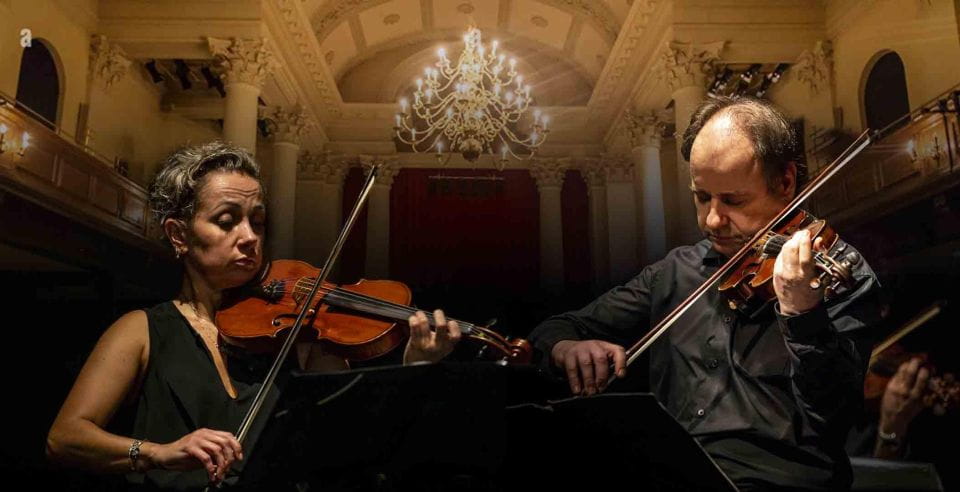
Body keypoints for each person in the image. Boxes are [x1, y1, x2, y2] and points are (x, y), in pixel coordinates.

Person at [45, 142, 461, 489]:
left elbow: (352, 442)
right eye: (227, 221)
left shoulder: (296, 335)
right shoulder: (142, 330)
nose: (249, 238)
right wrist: (157, 452)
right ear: (178, 235)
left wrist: (414, 370)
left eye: (257, 222)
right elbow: (65, 439)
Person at [529, 96, 881, 491]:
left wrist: (803, 313)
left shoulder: (840, 273)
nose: (712, 219)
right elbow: (557, 328)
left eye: (733, 201)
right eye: (702, 197)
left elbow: (833, 417)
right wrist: (565, 347)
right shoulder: (675, 271)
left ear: (785, 182)